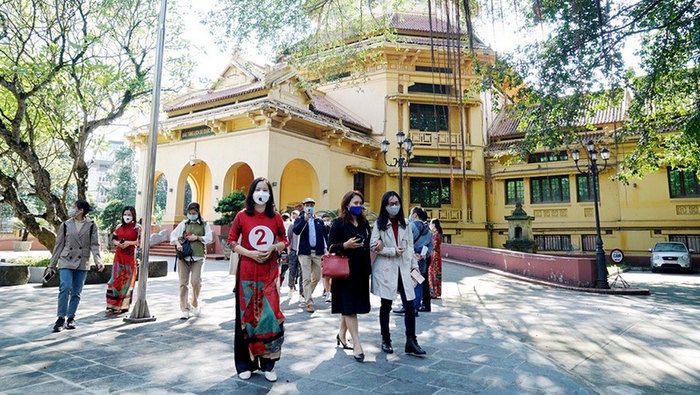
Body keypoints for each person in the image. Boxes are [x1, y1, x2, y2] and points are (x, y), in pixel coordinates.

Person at [228, 177, 288, 382]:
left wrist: (273, 248)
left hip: (269, 275)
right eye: (258, 189)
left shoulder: (276, 217)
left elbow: (284, 240)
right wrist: (249, 253)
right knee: (247, 318)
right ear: (252, 192)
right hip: (247, 274)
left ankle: (268, 364)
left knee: (269, 317)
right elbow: (231, 241)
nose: (261, 192)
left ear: (270, 194)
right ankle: (245, 364)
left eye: (265, 189)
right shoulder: (242, 216)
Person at [370, 191, 426, 356]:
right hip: (387, 269)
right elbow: (373, 245)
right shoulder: (379, 224)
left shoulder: (406, 224)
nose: (394, 206)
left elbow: (409, 247)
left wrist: (414, 266)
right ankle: (385, 339)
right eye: (390, 203)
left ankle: (411, 340)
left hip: (404, 267)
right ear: (385, 206)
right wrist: (392, 250)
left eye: (396, 203)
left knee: (409, 304)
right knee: (386, 305)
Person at [327, 191, 371, 362]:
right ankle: (357, 344)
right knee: (350, 308)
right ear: (347, 205)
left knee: (350, 307)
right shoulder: (339, 223)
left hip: (360, 271)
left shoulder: (364, 223)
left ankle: (341, 335)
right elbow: (331, 247)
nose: (358, 206)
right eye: (355, 203)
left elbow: (367, 244)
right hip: (344, 272)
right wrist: (345, 245)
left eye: (360, 203)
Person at [47, 200, 104, 332]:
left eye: (73, 207)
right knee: (65, 287)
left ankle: (71, 318)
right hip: (66, 260)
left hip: (82, 260)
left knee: (76, 292)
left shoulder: (91, 225)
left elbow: (94, 245)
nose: (71, 209)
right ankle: (60, 318)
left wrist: (98, 260)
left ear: (81, 210)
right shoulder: (65, 225)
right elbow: (59, 245)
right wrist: (52, 265)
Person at [170, 202, 213, 320]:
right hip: (184, 257)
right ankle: (184, 309)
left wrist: (197, 238)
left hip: (198, 257)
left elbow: (209, 238)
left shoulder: (204, 225)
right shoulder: (184, 224)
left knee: (195, 282)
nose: (191, 215)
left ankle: (194, 303)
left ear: (198, 213)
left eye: (194, 213)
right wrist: (178, 243)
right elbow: (173, 236)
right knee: (183, 283)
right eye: (189, 213)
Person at [105, 206, 141, 315]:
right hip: (119, 257)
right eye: (125, 214)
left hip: (130, 258)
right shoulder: (119, 227)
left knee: (126, 281)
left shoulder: (137, 228)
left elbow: (139, 242)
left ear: (133, 215)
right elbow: (113, 239)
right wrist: (118, 244)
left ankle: (123, 305)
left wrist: (128, 243)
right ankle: (111, 304)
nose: (127, 217)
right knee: (114, 280)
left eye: (129, 215)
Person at [292, 197, 326, 313]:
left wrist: (326, 250)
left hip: (317, 252)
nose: (309, 207)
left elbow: (324, 237)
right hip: (304, 252)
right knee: (306, 278)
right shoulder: (300, 219)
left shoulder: (319, 221)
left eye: (311, 205)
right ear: (304, 206)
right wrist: (304, 220)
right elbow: (296, 231)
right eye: (307, 205)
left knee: (317, 277)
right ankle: (309, 302)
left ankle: (306, 292)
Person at [286, 210, 302, 294]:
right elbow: (288, 238)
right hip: (293, 250)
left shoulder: (303, 226)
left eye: (296, 215)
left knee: (302, 272)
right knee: (292, 270)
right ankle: (291, 286)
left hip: (302, 252)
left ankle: (302, 291)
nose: (295, 216)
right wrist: (289, 250)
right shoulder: (291, 226)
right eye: (293, 215)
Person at [429, 218, 443, 299]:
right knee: (436, 275)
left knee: (433, 274)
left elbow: (433, 247)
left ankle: (433, 292)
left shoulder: (435, 235)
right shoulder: (437, 234)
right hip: (437, 257)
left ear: (434, 225)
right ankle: (436, 292)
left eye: (431, 224)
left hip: (434, 257)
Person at [321, 213, 332, 303]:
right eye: (324, 221)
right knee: (326, 274)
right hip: (324, 255)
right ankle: (327, 291)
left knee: (333, 275)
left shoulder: (333, 230)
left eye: (327, 220)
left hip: (333, 255)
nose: (326, 222)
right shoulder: (320, 231)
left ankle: (329, 290)